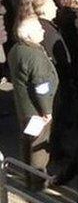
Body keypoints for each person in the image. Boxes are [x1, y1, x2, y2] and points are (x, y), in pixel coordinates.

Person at [9, 16, 59, 190]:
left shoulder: (16, 49)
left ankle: (27, 176)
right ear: (29, 35)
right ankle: (38, 182)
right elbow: (41, 87)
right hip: (37, 110)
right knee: (39, 146)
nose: (43, 30)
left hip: (23, 106)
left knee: (26, 141)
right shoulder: (35, 56)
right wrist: (47, 111)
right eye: (39, 29)